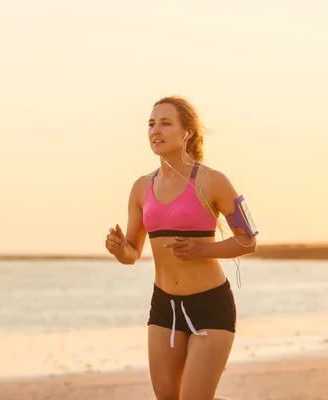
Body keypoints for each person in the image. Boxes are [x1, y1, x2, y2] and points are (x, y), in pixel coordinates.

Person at [105, 95, 258, 400]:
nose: (155, 131)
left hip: (210, 306)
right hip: (164, 307)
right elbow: (133, 253)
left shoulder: (212, 181)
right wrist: (120, 249)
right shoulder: (140, 187)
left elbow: (249, 240)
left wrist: (202, 250)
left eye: (165, 123)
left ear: (187, 132)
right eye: (151, 124)